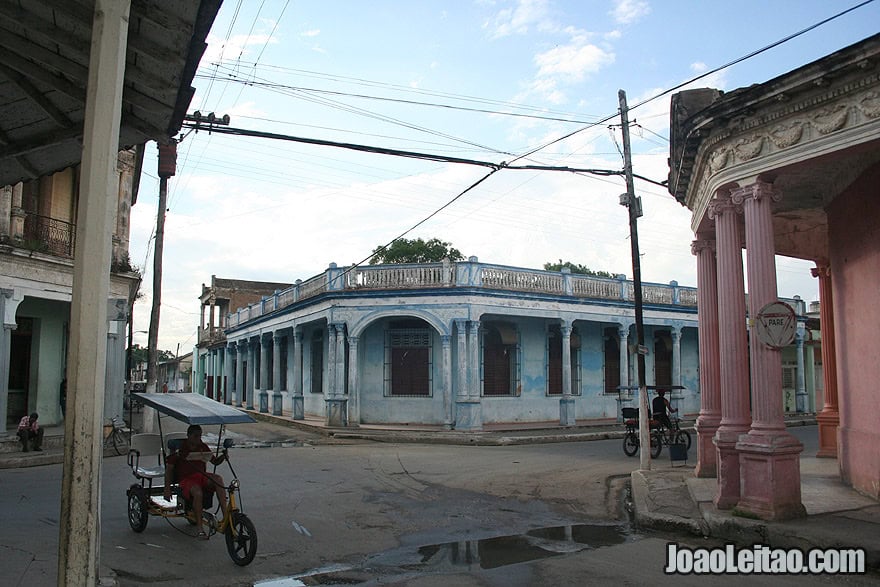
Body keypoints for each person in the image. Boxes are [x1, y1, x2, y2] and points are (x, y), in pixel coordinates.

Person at [164, 424, 228, 539]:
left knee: (218, 479)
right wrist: (167, 489)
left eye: (200, 436)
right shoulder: (181, 449)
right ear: (189, 436)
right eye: (195, 436)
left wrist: (223, 456)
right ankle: (200, 528)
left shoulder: (203, 446)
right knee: (198, 493)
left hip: (201, 476)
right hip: (186, 479)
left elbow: (215, 461)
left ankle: (226, 516)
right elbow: (169, 469)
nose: (198, 439)